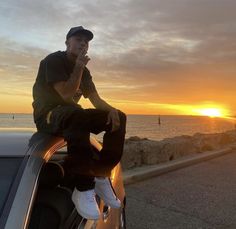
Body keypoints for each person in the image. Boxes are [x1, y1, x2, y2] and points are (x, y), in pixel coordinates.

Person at [32, 26, 126, 220]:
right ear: (67, 43)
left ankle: (101, 174)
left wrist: (111, 111)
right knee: (76, 112)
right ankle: (83, 188)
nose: (83, 43)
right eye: (78, 39)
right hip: (47, 115)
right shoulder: (53, 61)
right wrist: (78, 67)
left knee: (119, 117)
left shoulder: (85, 71)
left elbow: (96, 100)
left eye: (87, 41)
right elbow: (66, 94)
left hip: (72, 116)